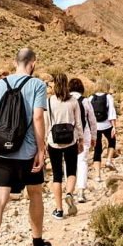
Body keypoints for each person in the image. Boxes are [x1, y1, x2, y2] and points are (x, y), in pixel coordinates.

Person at [0, 48, 52, 246]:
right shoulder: (37, 85)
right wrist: (41, 149)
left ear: (15, 62)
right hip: (27, 153)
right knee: (35, 194)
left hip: (1, 151)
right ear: (32, 63)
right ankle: (37, 244)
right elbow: (38, 117)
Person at [44, 72, 84, 219]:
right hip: (71, 140)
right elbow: (78, 123)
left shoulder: (49, 102)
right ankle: (69, 193)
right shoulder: (73, 101)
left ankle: (59, 210)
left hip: (53, 141)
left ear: (54, 84)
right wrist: (81, 139)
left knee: (57, 176)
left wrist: (44, 141)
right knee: (72, 170)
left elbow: (47, 123)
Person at [69, 78, 98, 203]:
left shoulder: (65, 99)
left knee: (68, 162)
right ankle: (81, 192)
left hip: (68, 135)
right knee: (82, 162)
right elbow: (92, 120)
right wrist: (94, 137)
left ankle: (69, 191)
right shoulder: (85, 101)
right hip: (84, 135)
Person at [90, 79, 118, 182]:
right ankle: (109, 160)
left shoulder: (91, 98)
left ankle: (97, 176)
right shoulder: (108, 97)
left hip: (95, 127)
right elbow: (111, 112)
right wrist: (114, 126)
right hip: (106, 125)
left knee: (97, 149)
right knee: (112, 141)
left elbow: (88, 114)